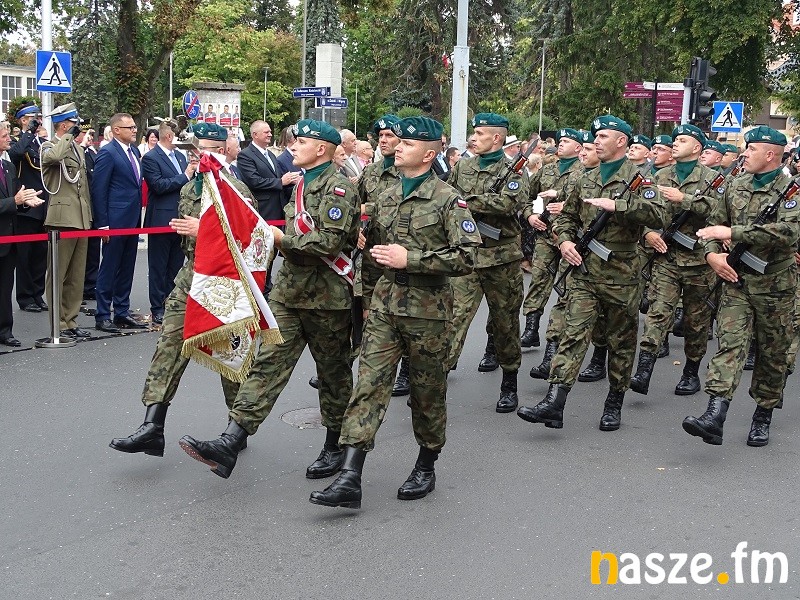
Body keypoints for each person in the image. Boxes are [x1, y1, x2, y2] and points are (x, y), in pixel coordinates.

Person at [309, 116, 481, 509]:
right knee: (368, 384)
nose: (398, 147)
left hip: (428, 313)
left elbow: (468, 256)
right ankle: (350, 475)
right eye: (397, 141)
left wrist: (412, 259)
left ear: (429, 154)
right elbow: (374, 253)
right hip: (385, 305)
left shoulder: (448, 199)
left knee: (426, 393)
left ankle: (426, 464)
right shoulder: (385, 196)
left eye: (408, 143)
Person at [179, 119, 360, 479]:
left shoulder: (338, 188)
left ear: (321, 149)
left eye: (301, 142)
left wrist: (280, 240)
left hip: (327, 297)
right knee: (267, 364)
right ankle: (230, 441)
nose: (293, 147)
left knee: (333, 375)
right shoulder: (302, 183)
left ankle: (334, 445)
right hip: (289, 293)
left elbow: (328, 242)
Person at [109, 124, 251, 458]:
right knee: (169, 346)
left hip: (225, 284)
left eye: (199, 150)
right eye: (191, 151)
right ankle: (152, 426)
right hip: (191, 278)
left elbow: (248, 241)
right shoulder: (190, 188)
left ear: (218, 151)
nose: (194, 156)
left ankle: (238, 428)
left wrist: (207, 231)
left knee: (231, 358)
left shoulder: (236, 189)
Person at [517, 114, 662, 432]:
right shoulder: (584, 177)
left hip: (622, 275)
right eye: (595, 136)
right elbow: (567, 217)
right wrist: (565, 240)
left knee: (620, 342)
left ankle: (614, 403)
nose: (596, 141)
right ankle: (554, 403)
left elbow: (658, 215)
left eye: (603, 136)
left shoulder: (640, 179)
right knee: (573, 334)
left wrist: (619, 206)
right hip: (584, 271)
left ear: (621, 142)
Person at [683, 126, 799, 447]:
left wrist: (733, 234)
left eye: (751, 149)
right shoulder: (735, 185)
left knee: (773, 354)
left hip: (776, 287)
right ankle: (714, 415)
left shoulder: (792, 191)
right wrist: (712, 256)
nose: (744, 154)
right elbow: (712, 226)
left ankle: (763, 414)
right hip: (737, 281)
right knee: (730, 345)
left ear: (771, 155)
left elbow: (787, 233)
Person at [445, 113, 528, 412]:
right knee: (453, 318)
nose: (473, 138)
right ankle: (437, 378)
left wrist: (467, 201)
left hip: (501, 259)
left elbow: (509, 203)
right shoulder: (463, 166)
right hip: (467, 256)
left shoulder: (514, 170)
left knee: (505, 322)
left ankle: (509, 381)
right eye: (473, 133)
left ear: (496, 138)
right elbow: (447, 195)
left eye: (479, 134)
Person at [630, 125, 719, 397]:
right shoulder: (660, 175)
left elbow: (719, 211)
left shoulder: (713, 179)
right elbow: (644, 210)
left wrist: (685, 199)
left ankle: (691, 372)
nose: (675, 143)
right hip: (666, 259)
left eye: (682, 140)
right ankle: (643, 370)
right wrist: (648, 232)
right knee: (657, 313)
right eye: (675, 140)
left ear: (697, 147)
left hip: (699, 263)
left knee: (696, 321)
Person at [520, 128, 584, 351]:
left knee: (566, 287)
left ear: (578, 147)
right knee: (539, 280)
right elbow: (526, 195)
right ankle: (531, 329)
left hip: (570, 238)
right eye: (560, 141)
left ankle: (555, 338)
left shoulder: (585, 172)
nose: (561, 144)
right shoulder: (548, 169)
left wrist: (566, 205)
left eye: (566, 141)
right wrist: (530, 215)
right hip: (546, 235)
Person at [40, 103, 94, 339]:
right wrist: (68, 137)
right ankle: (58, 324)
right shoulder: (49, 146)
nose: (78, 127)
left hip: (80, 217)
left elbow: (83, 186)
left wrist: (89, 216)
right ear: (64, 125)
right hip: (62, 217)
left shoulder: (78, 150)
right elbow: (54, 157)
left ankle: (71, 320)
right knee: (58, 274)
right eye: (74, 123)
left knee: (76, 275)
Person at [91, 112, 146, 334]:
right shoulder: (108, 153)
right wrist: (103, 224)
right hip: (114, 222)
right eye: (130, 127)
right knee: (110, 268)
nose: (134, 130)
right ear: (116, 130)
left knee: (127, 267)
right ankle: (103, 315)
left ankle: (122, 311)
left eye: (134, 127)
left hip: (132, 220)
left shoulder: (134, 151)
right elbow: (99, 190)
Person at [141, 120, 196, 325]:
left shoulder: (180, 156)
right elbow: (158, 185)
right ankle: (157, 308)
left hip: (181, 219)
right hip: (161, 220)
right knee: (158, 267)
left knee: (175, 266)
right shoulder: (151, 158)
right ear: (169, 136)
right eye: (178, 136)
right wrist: (185, 175)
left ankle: (172, 304)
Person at [0, 124, 44, 347]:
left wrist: (27, 201)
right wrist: (14, 201)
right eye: (5, 135)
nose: (9, 138)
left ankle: (5, 331)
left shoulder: (7, 166)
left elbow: (16, 197)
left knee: (5, 288)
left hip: (9, 238)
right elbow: (11, 201)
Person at [7, 101, 49, 314]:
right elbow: (15, 155)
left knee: (40, 254)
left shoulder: (41, 143)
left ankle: (37, 294)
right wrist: (28, 132)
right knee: (25, 254)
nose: (38, 121)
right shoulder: (18, 141)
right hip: (26, 205)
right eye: (34, 118)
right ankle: (25, 297)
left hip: (42, 204)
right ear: (24, 120)